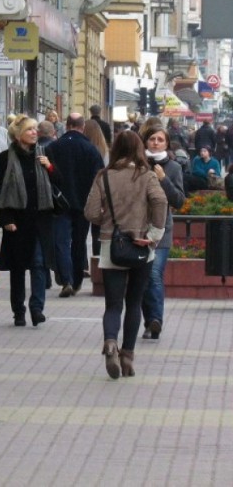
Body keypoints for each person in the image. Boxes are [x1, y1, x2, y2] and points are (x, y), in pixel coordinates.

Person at [84, 130, 167, 379]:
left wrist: (106, 221)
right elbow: (161, 202)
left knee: (113, 303)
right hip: (141, 245)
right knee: (134, 303)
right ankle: (128, 356)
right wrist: (154, 233)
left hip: (112, 245)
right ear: (139, 149)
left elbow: (89, 212)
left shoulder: (104, 176)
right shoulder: (147, 176)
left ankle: (110, 342)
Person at [0, 116, 59, 327]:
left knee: (40, 265)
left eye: (35, 129)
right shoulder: (6, 158)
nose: (35, 132)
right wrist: (6, 219)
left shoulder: (43, 154)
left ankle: (36, 307)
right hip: (17, 221)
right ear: (18, 134)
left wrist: (50, 168)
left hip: (41, 219)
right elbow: (0, 190)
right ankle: (18, 311)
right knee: (18, 268)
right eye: (30, 129)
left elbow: (59, 182)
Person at [45, 113, 104, 297]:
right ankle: (77, 281)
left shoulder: (53, 147)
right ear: (82, 126)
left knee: (61, 241)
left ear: (67, 125)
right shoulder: (91, 149)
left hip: (59, 202)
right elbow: (99, 178)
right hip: (83, 204)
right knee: (79, 243)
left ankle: (66, 280)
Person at [140, 126, 185, 340]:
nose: (156, 142)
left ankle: (156, 320)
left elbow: (179, 201)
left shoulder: (174, 167)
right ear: (146, 142)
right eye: (152, 139)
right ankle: (149, 320)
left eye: (160, 140)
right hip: (138, 229)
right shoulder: (137, 165)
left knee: (154, 275)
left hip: (162, 230)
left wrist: (163, 179)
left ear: (167, 144)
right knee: (142, 277)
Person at [83, 118, 110, 258]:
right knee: (97, 230)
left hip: (82, 193)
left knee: (80, 232)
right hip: (100, 194)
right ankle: (97, 257)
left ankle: (82, 264)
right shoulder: (105, 151)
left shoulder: (83, 148)